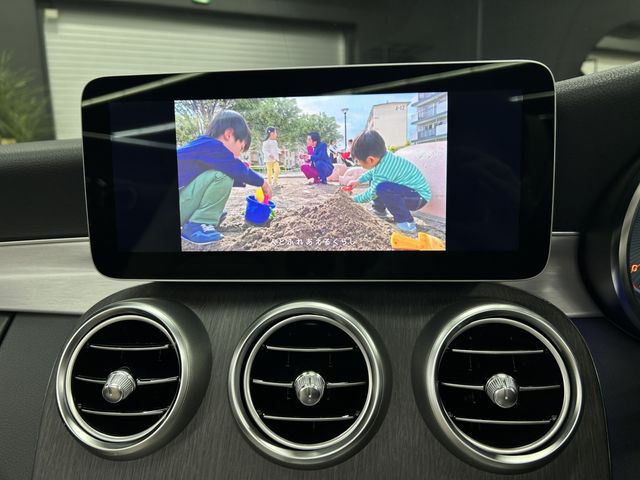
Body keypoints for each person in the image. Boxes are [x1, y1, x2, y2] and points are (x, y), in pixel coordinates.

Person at [178, 110, 272, 244]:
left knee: (224, 173)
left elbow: (210, 177)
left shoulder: (203, 146)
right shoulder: (213, 146)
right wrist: (263, 182)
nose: (238, 155)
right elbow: (235, 169)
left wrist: (239, 172)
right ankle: (198, 224)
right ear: (229, 134)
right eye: (241, 148)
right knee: (222, 175)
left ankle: (202, 215)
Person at [347, 130, 431, 233]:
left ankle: (406, 222)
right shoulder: (384, 158)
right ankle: (379, 209)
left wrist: (353, 200)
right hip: (411, 192)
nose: (359, 165)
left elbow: (371, 193)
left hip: (419, 198)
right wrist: (358, 181)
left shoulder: (384, 169)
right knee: (377, 182)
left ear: (370, 160)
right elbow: (372, 172)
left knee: (382, 188)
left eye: (358, 162)